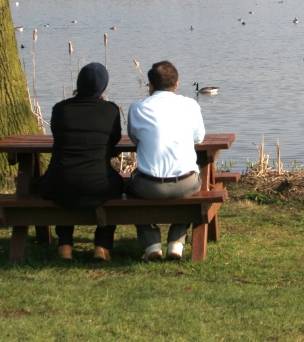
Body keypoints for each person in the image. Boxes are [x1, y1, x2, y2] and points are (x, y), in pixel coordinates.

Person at [39, 62, 124, 262]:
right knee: (119, 185)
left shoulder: (60, 109)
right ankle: (102, 246)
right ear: (103, 87)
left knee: (64, 180)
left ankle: (65, 245)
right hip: (99, 185)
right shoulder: (111, 111)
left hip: (59, 183)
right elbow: (114, 142)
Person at [127, 60, 206, 261]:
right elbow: (199, 138)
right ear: (177, 84)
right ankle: (177, 242)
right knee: (196, 187)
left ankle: (152, 244)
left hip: (149, 185)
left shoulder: (137, 108)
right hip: (186, 182)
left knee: (128, 188)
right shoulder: (191, 105)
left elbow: (135, 138)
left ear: (150, 85)